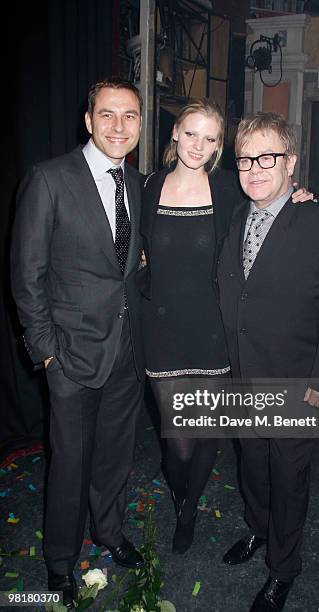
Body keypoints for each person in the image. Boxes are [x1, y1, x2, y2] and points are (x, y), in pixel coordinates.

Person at [141, 99, 313, 556]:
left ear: (219, 147)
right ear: (175, 133)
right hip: (162, 334)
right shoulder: (147, 187)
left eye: (211, 138)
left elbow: (271, 201)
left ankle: (189, 509)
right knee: (177, 445)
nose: (199, 145)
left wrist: (300, 194)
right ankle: (183, 495)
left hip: (215, 332)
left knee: (207, 438)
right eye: (191, 133)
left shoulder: (229, 191)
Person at [218, 112, 319, 612]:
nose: (255, 168)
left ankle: (284, 569)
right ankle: (258, 530)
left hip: (296, 386)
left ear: (291, 162)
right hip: (243, 377)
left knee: (288, 476)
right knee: (253, 468)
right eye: (245, 158)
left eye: (267, 157)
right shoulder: (239, 216)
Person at [11, 77, 146, 608]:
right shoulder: (48, 179)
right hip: (68, 354)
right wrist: (46, 352)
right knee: (69, 463)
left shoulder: (135, 184)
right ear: (88, 120)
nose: (119, 125)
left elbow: (125, 269)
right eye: (108, 114)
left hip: (126, 351)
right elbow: (27, 275)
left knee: (114, 457)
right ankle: (61, 561)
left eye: (130, 115)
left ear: (139, 123)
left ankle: (109, 533)